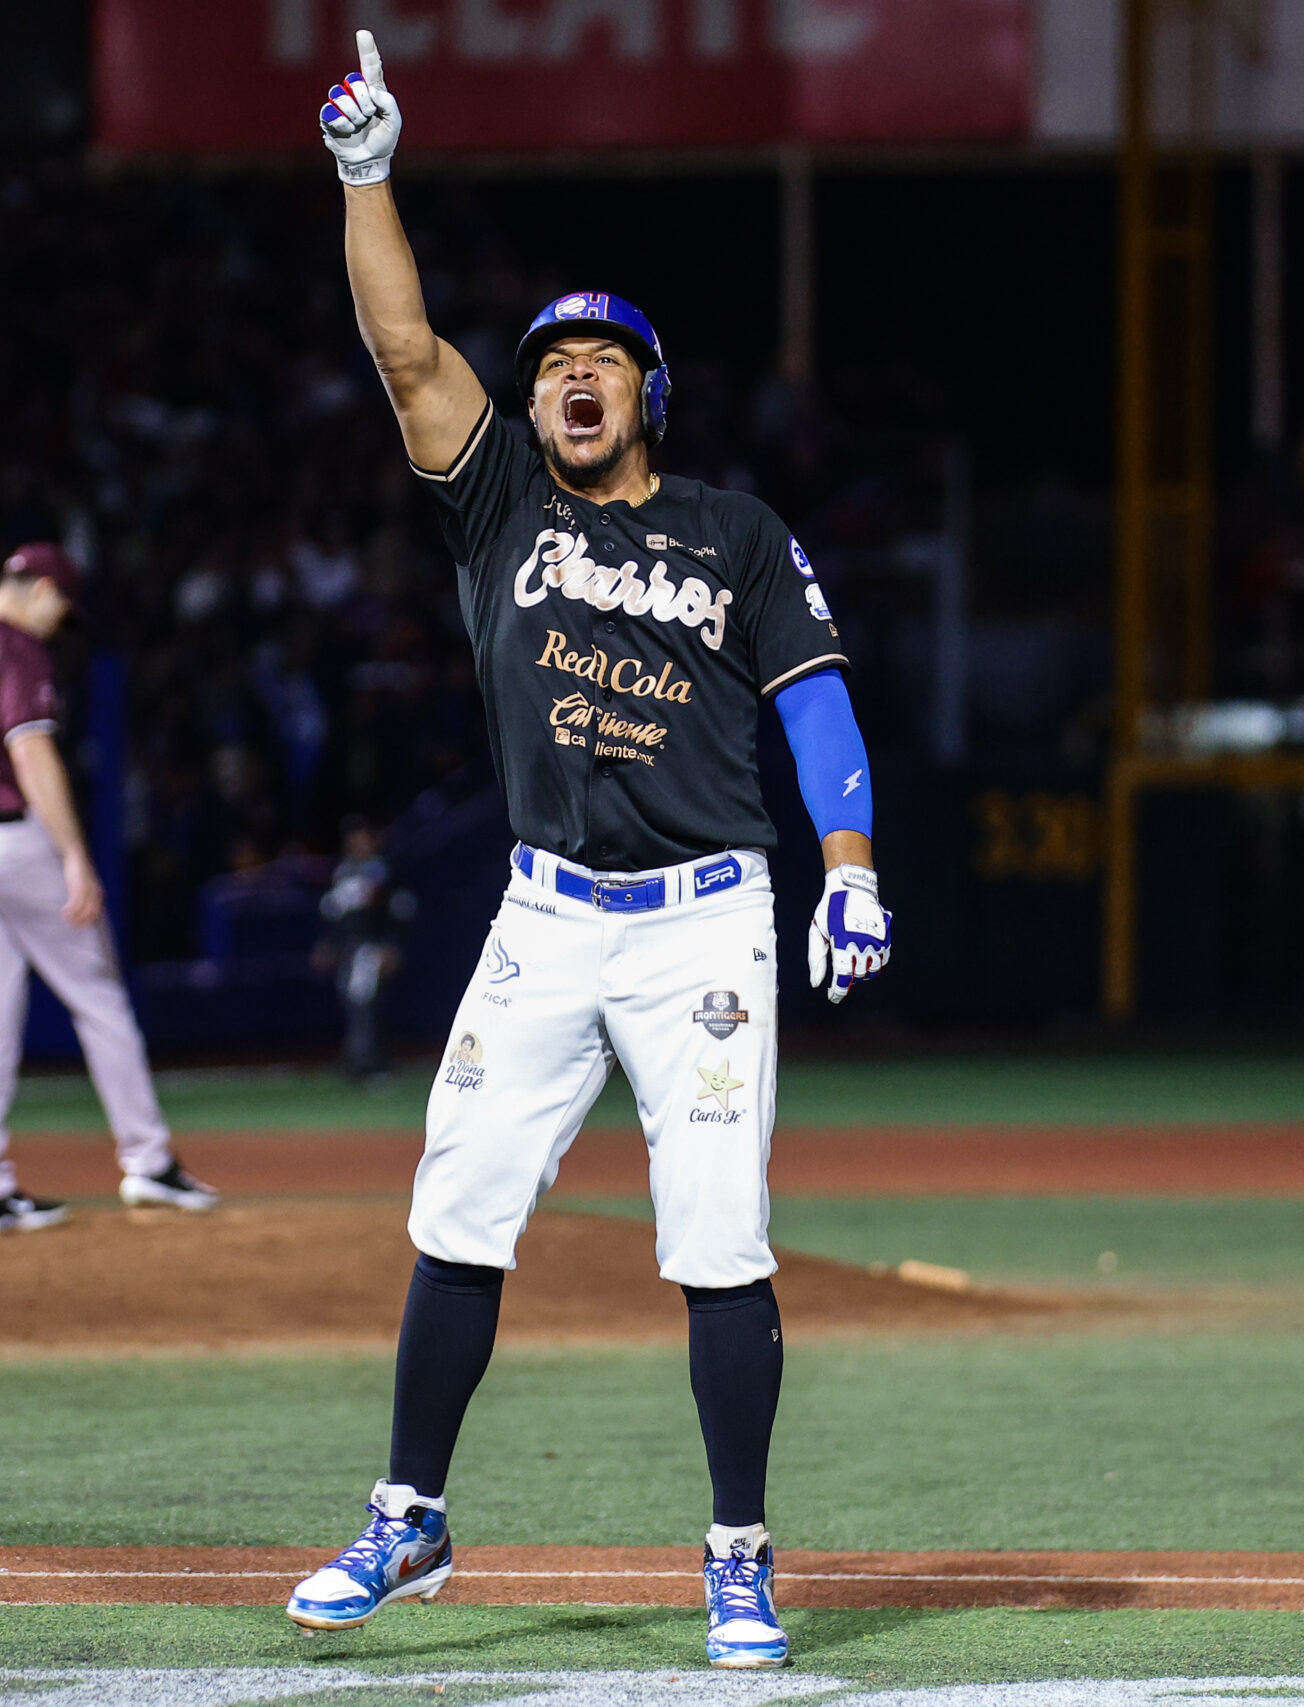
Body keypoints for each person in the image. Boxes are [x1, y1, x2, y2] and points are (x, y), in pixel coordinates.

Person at [286, 36, 892, 1669]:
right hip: (545, 918)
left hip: (705, 926)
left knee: (716, 1237)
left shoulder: (736, 534)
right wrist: (365, 174)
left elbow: (817, 703)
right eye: (550, 353)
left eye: (600, 360)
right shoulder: (499, 511)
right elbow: (405, 347)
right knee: (459, 1205)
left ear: (647, 398)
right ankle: (409, 1516)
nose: (568, 371)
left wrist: (850, 861)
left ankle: (740, 1555)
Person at [0, 543, 221, 1237]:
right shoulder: (14, 647)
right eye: (60, 608)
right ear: (41, 588)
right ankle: (149, 1161)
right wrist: (75, 855)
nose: (57, 623)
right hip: (16, 841)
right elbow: (30, 750)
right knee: (99, 998)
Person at [315, 816, 414, 1082]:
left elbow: (398, 913)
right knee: (352, 1002)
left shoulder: (383, 870)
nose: (358, 842)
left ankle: (371, 1062)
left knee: (365, 1002)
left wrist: (390, 947)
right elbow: (335, 915)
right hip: (349, 946)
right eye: (354, 838)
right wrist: (328, 944)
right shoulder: (343, 872)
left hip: (371, 946)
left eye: (363, 837)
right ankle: (357, 1056)